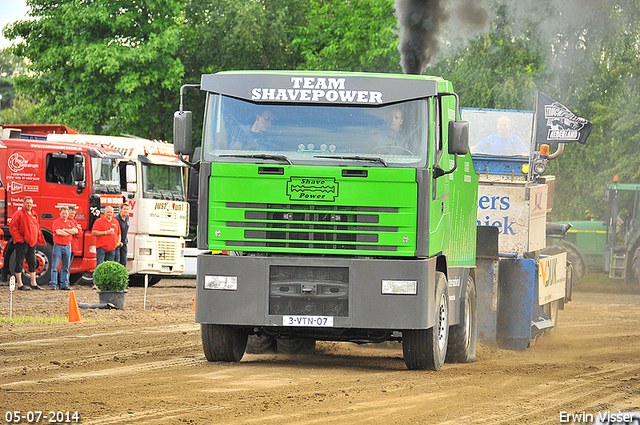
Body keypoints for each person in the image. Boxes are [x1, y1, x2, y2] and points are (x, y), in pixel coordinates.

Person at [10, 196, 46, 290]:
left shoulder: (34, 214)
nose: (29, 204)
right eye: (27, 203)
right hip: (22, 242)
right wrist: (20, 239)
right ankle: (20, 285)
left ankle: (33, 284)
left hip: (32, 243)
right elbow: (13, 228)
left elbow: (36, 227)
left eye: (30, 203)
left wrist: (38, 238)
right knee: (19, 262)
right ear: (23, 203)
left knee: (32, 262)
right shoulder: (18, 214)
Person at [50, 206, 78, 290]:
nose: (64, 215)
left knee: (66, 267)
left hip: (67, 246)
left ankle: (64, 284)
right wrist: (69, 232)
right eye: (63, 213)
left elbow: (76, 231)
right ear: (60, 214)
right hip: (58, 245)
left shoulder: (71, 222)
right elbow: (58, 232)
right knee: (55, 266)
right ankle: (53, 284)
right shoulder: (56, 222)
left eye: (66, 213)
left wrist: (65, 230)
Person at [115, 202, 130, 268]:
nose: (125, 211)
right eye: (124, 209)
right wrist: (118, 241)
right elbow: (116, 232)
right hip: (118, 242)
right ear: (121, 209)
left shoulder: (127, 218)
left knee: (124, 261)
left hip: (124, 242)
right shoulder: (116, 219)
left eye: (127, 209)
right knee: (117, 260)